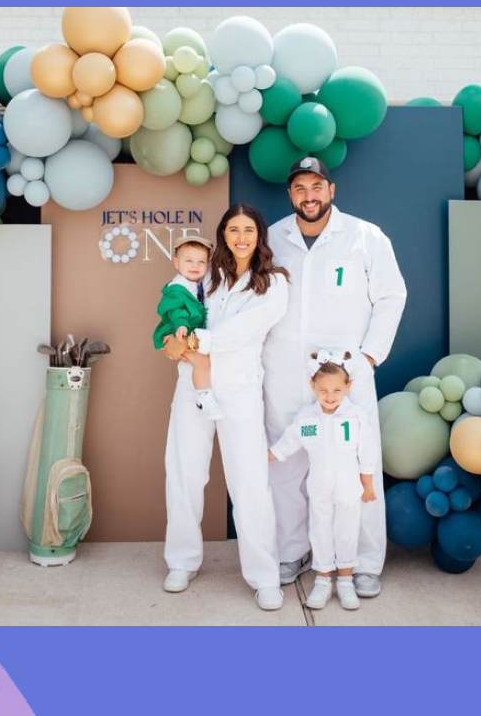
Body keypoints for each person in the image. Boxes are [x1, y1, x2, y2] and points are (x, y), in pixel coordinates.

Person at [263, 156, 407, 598]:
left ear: (332, 190)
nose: (309, 195)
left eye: (316, 186)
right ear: (291, 194)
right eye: (300, 188)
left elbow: (391, 296)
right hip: (286, 372)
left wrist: (368, 357)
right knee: (286, 466)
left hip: (347, 374)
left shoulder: (365, 237)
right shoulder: (272, 238)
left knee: (357, 470)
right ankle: (293, 551)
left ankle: (362, 563)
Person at [160, 204, 288, 611]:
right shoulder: (204, 276)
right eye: (233, 229)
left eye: (248, 229)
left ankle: (264, 576)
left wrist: (199, 342)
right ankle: (181, 561)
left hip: (240, 392)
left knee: (250, 483)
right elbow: (176, 306)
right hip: (191, 387)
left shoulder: (274, 282)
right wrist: (170, 338)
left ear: (259, 234)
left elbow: (247, 328)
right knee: (184, 473)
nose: (240, 236)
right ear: (223, 235)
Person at [268, 352, 379, 612]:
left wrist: (368, 483)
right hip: (319, 488)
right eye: (324, 390)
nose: (330, 396)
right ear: (313, 387)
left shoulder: (355, 418)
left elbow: (367, 452)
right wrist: (268, 455)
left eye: (337, 390)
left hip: (349, 489)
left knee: (347, 530)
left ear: (348, 387)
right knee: (320, 529)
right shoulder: (308, 419)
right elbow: (289, 442)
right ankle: (322, 578)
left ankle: (345, 580)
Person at [152, 236, 222, 420]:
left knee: (202, 362)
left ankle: (202, 394)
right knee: (202, 362)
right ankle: (204, 397)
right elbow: (175, 310)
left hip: (188, 334)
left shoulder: (197, 284)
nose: (195, 266)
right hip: (177, 333)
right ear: (177, 262)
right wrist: (180, 324)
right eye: (188, 261)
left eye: (201, 262)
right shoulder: (177, 288)